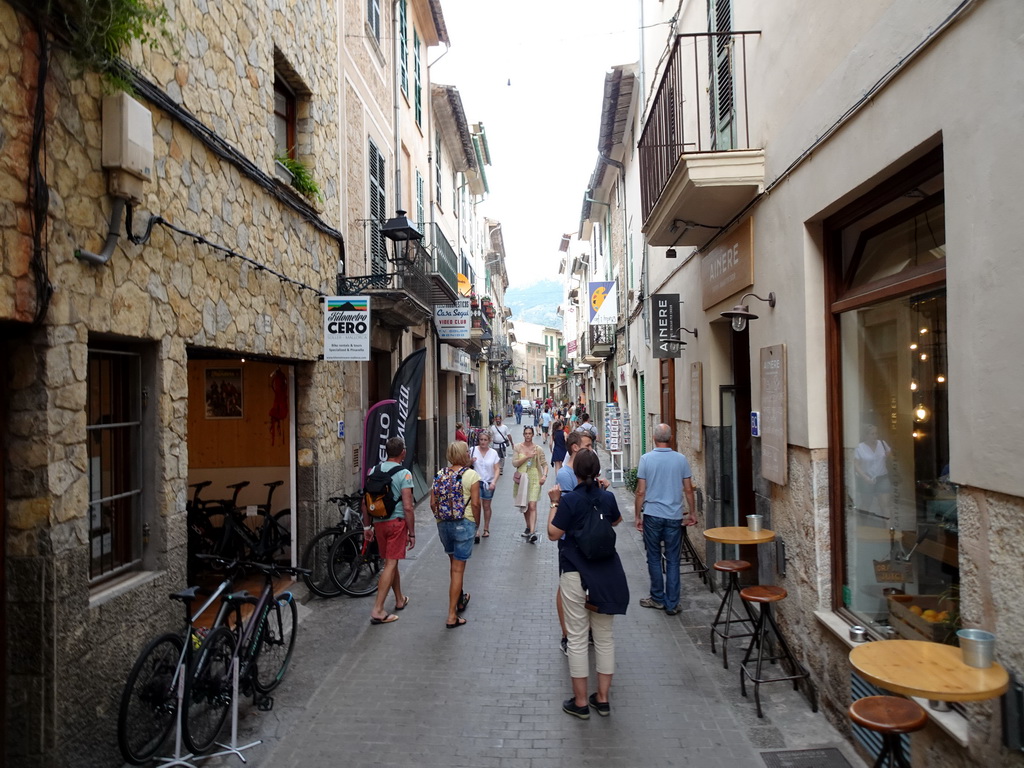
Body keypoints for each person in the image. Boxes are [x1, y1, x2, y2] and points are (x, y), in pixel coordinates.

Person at [547, 448, 628, 719]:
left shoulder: (570, 502)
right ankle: (602, 699)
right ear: (597, 471)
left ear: (576, 472)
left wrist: (555, 503)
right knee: (605, 638)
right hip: (606, 572)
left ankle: (580, 702)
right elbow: (616, 520)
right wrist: (604, 491)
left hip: (574, 572)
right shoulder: (607, 497)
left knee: (578, 638)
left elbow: (552, 533)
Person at [634, 423, 697, 616]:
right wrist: (692, 512)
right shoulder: (681, 459)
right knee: (673, 560)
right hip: (674, 516)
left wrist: (637, 516)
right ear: (670, 438)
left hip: (652, 515)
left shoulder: (646, 459)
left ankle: (657, 598)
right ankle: (672, 603)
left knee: (653, 557)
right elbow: (688, 489)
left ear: (653, 438)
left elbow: (641, 491)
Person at [362, 437, 415, 625]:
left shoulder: (374, 470)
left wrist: (367, 526)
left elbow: (365, 500)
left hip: (379, 523)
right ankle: (378, 609)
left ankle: (399, 599)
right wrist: (412, 532)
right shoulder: (405, 474)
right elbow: (408, 507)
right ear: (403, 452)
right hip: (396, 523)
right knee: (390, 564)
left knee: (391, 562)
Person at [430, 441, 482, 629]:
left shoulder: (439, 475)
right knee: (458, 570)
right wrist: (477, 523)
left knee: (453, 566)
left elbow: (432, 503)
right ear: (463, 454)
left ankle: (459, 600)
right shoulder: (471, 475)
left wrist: (440, 519)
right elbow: (476, 504)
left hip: (444, 524)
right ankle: (452, 615)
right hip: (464, 523)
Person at [511, 426, 548, 543]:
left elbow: (544, 464)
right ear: (523, 434)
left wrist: (544, 476)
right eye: (526, 433)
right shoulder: (517, 447)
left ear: (532, 435)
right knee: (525, 505)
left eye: (529, 433)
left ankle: (532, 532)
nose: (528, 435)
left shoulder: (538, 449)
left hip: (534, 478)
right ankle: (528, 527)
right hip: (522, 478)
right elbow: (514, 463)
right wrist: (527, 457)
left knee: (532, 505)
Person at [855, 423, 893, 517]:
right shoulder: (860, 447)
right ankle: (863, 527)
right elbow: (856, 464)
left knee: (885, 504)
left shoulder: (882, 444)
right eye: (872, 434)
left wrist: (888, 459)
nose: (875, 436)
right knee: (866, 503)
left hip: (882, 477)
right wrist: (864, 477)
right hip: (867, 478)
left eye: (876, 433)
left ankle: (889, 529)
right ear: (866, 435)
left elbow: (889, 455)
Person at [469, 431, 500, 541]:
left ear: (489, 441)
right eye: (481, 439)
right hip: (475, 482)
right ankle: (476, 529)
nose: (483, 442)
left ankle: (486, 528)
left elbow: (497, 469)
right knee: (475, 506)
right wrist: (470, 461)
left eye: (485, 440)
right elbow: (466, 465)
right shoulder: (473, 450)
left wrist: (494, 482)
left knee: (486, 506)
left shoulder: (493, 453)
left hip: (488, 482)